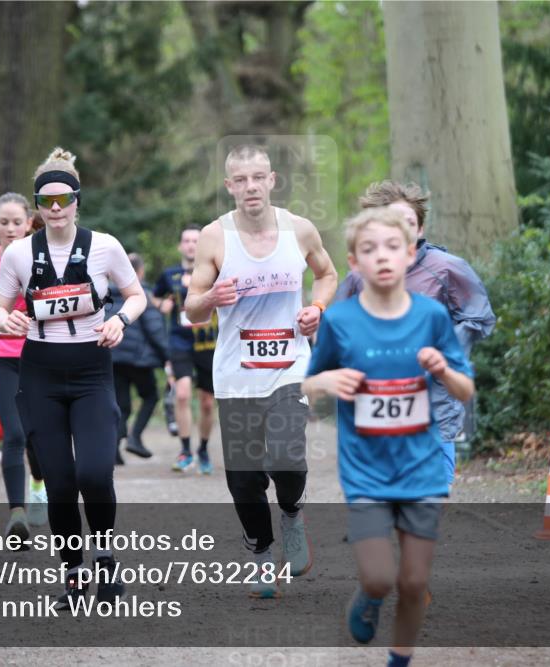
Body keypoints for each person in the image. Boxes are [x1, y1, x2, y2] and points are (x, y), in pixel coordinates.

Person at [304, 207, 475, 667]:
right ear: (353, 262)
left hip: (422, 466)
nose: (382, 256)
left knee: (415, 583)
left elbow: (465, 388)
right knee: (380, 577)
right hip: (367, 471)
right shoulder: (340, 320)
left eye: (392, 247)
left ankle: (399, 660)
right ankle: (370, 595)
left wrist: (443, 370)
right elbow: (310, 384)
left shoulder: (432, 316)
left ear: (410, 254)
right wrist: (328, 380)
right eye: (369, 249)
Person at [0, 147, 146, 607]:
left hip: (91, 369)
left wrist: (120, 320)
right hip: (40, 373)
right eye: (47, 201)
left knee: (94, 473)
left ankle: (105, 557)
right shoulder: (19, 253)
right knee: (59, 483)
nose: (56, 208)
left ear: (78, 200)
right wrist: (5, 320)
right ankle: (74, 573)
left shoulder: (105, 246)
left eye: (64, 200)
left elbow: (135, 295)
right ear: (37, 205)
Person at [184, 144, 337, 598]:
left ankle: (291, 513)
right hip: (236, 375)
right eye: (241, 179)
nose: (250, 186)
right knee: (244, 478)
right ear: (229, 186)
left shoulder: (299, 229)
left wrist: (317, 308)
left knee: (287, 457)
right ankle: (262, 555)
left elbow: (327, 274)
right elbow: (192, 309)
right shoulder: (214, 237)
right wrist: (210, 299)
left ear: (272, 180)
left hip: (289, 367)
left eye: (258, 177)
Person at [334, 181, 495, 484]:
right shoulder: (361, 273)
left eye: (408, 222)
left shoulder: (447, 268)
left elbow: (479, 317)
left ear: (420, 229)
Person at [0, 193, 48, 540]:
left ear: (30, 223)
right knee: (14, 433)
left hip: (37, 353)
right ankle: (16, 514)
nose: (11, 228)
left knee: (35, 433)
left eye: (17, 222)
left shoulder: (44, 256)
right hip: (0, 355)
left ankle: (39, 484)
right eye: (4, 222)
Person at [153, 225, 218, 474]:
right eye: (187, 240)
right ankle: (185, 451)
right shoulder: (170, 275)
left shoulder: (216, 272)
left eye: (195, 240)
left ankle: (203, 449)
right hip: (179, 341)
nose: (191, 245)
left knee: (207, 403)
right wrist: (163, 305)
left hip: (208, 343)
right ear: (181, 246)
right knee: (181, 395)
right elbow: (154, 296)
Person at [108, 253, 167, 463]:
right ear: (140, 272)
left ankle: (114, 451)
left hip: (113, 356)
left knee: (121, 405)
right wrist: (167, 358)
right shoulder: (143, 295)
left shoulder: (106, 295)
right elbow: (155, 329)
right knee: (150, 396)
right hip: (138, 359)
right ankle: (135, 437)